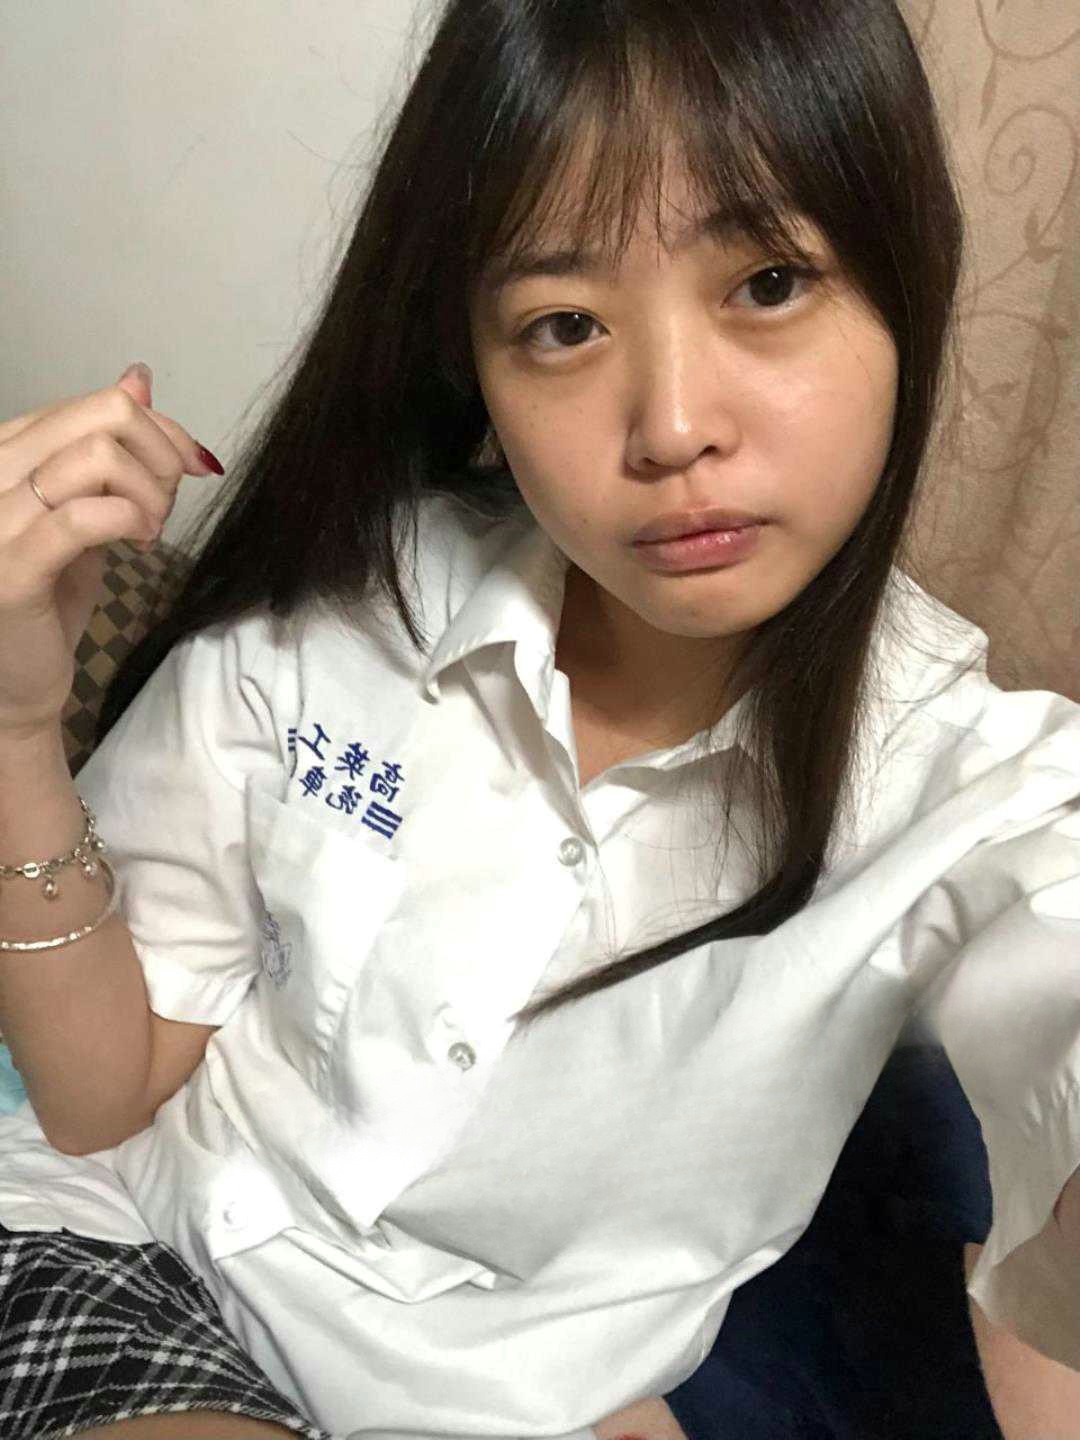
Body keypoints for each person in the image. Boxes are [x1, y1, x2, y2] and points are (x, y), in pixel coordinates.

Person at [0, 1, 1078, 1437]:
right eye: (565, 326)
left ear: (906, 287)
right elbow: (106, 1097)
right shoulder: (346, 608)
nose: (673, 426)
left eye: (767, 283)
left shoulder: (977, 790)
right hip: (130, 1250)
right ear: (478, 368)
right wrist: (13, 730)